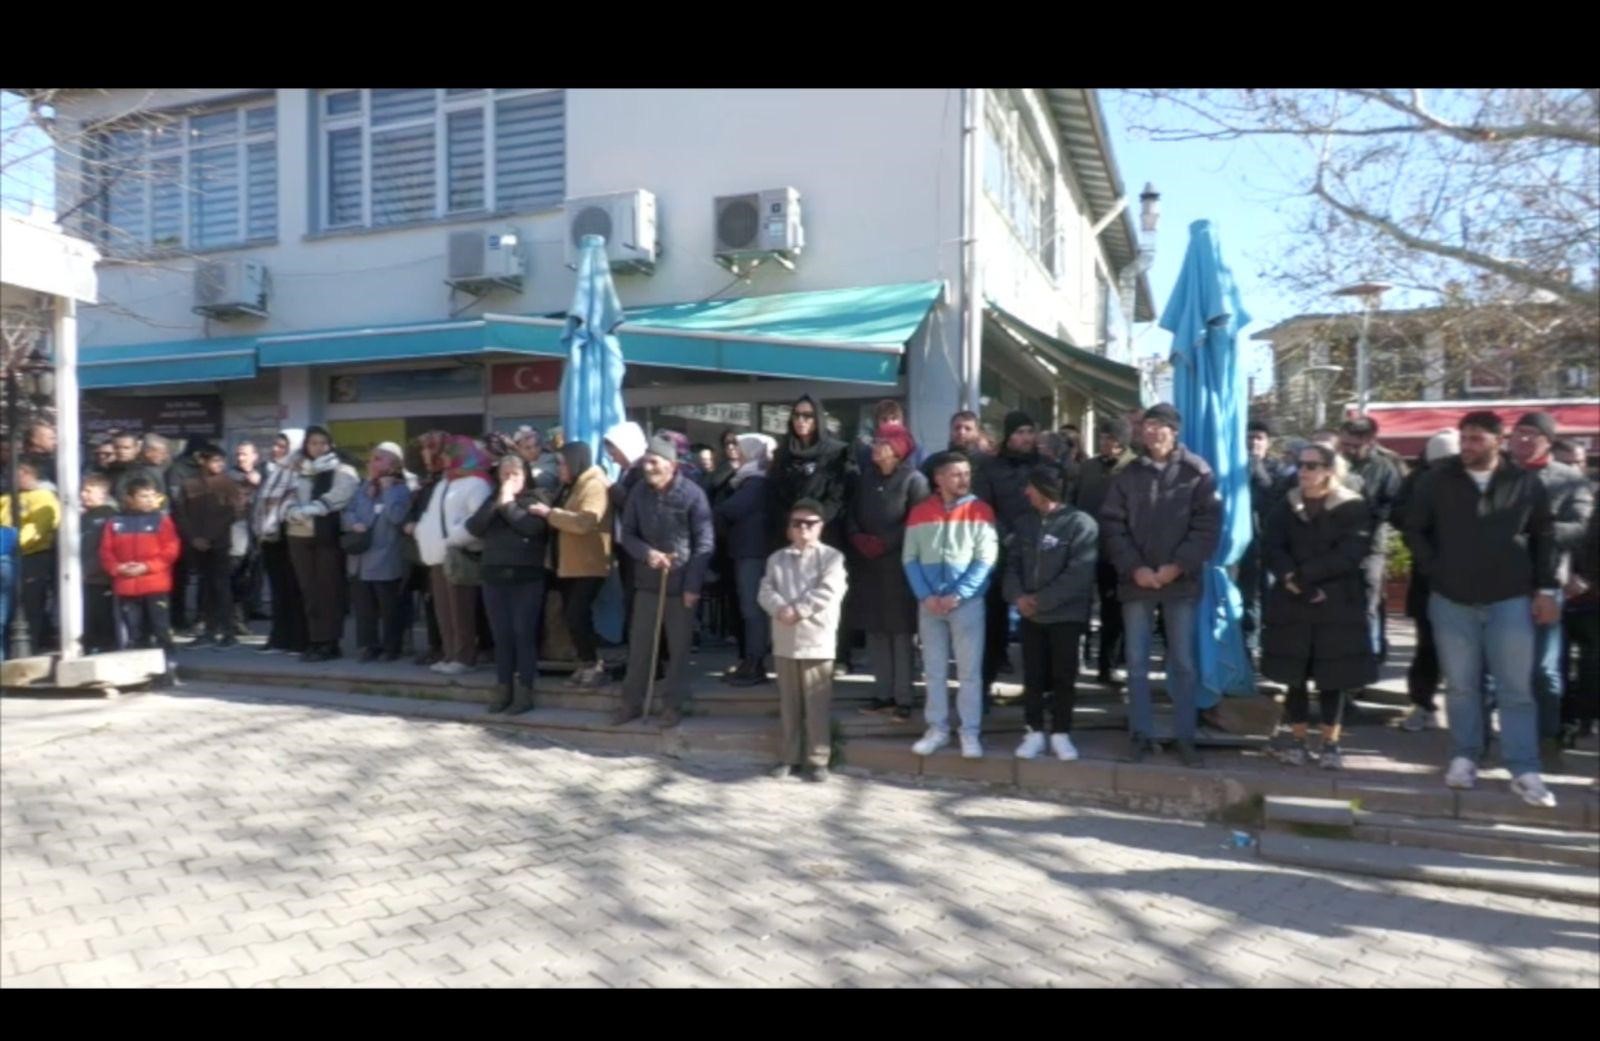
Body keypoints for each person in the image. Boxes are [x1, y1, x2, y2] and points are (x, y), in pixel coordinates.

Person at [1405, 410, 1559, 807]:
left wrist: (1545, 589)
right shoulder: (1437, 480)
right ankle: (1464, 756)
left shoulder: (1524, 482)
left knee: (1516, 688)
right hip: (1451, 598)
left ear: (1498, 439)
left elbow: (1544, 536)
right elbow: (1414, 528)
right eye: (1464, 438)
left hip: (1510, 597)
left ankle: (1524, 767)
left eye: (1476, 439)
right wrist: (1434, 570)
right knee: (1460, 686)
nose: (1468, 447)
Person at [1099, 404, 1220, 768]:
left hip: (1179, 582)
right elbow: (1112, 525)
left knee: (1182, 662)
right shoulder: (1128, 474)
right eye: (1147, 427)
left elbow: (1207, 527)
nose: (1152, 433)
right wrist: (1135, 568)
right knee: (1136, 663)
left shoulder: (1196, 472)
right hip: (1136, 582)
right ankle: (1141, 734)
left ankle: (1185, 737)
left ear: (1174, 431)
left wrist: (1176, 566)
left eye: (1160, 427)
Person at [1260, 443, 1375, 770]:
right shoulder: (1286, 504)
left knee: (1332, 675)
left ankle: (1330, 743)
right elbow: (1271, 545)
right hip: (1293, 599)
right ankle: (1297, 741)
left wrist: (1309, 577)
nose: (1304, 471)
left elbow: (1352, 551)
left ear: (1329, 469)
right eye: (1301, 465)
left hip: (1337, 601)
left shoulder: (1352, 506)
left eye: (1312, 465)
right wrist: (1289, 577)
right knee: (1293, 673)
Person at [1508, 411, 1594, 767]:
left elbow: (1580, 528)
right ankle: (1488, 741)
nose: (1525, 440)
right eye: (1519, 433)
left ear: (1547, 441)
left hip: (1545, 585)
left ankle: (1548, 738)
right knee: (1497, 671)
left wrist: (1536, 530)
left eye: (1533, 435)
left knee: (1544, 670)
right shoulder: (1496, 474)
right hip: (1496, 584)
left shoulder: (1570, 479)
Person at [612, 433, 715, 728]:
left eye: (653, 462)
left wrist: (694, 585)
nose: (647, 468)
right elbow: (627, 534)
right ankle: (631, 703)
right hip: (647, 581)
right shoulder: (638, 493)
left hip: (682, 585)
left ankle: (673, 705)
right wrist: (647, 554)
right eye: (645, 462)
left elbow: (705, 543)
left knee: (679, 649)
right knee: (640, 646)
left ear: (671, 464)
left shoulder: (693, 494)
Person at [904, 450, 999, 759]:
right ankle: (938, 729)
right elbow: (910, 558)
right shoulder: (920, 512)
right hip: (929, 603)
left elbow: (986, 558)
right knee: (933, 671)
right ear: (939, 478)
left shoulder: (981, 510)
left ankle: (970, 732)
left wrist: (958, 594)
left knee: (970, 673)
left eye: (967, 473)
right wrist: (926, 595)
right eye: (957, 474)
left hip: (966, 604)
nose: (964, 479)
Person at [1004, 465, 1098, 761]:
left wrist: (1041, 600)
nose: (1026, 492)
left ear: (1045, 489)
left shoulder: (1080, 523)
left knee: (1063, 676)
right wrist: (1018, 596)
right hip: (1029, 615)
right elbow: (1011, 565)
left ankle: (1061, 732)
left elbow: (1079, 573)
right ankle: (1032, 731)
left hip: (1066, 615)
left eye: (1030, 486)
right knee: (1032, 675)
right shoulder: (1024, 523)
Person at [761, 497, 848, 782]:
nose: (803, 529)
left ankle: (818, 759)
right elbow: (765, 591)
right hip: (785, 640)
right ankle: (788, 757)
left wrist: (798, 610)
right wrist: (779, 608)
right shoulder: (777, 559)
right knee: (789, 705)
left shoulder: (832, 558)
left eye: (809, 523)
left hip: (816, 640)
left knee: (816, 705)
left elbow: (829, 591)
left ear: (820, 526)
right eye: (797, 524)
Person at [767, 394, 856, 672]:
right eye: (796, 415)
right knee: (793, 594)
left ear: (818, 419)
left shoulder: (837, 452)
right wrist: (794, 525)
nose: (801, 421)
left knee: (825, 596)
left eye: (807, 416)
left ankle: (840, 655)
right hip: (791, 535)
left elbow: (840, 495)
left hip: (826, 534)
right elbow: (775, 494)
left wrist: (814, 523)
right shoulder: (784, 453)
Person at [847, 422, 929, 719]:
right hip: (868, 567)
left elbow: (917, 522)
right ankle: (882, 694)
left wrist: (886, 543)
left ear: (896, 450)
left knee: (900, 633)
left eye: (882, 443)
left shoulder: (914, 480)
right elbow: (851, 513)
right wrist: (857, 536)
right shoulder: (865, 479)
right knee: (876, 633)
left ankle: (904, 697)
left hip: (899, 567)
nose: (875, 447)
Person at [467, 455, 552, 714]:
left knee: (522, 633)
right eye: (504, 474)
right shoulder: (493, 498)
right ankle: (503, 688)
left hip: (526, 577)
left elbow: (530, 527)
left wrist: (508, 505)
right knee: (501, 636)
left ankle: (524, 691)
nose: (509, 479)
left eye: (515, 474)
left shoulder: (538, 497)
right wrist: (498, 501)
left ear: (525, 475)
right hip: (494, 576)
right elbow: (475, 527)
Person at [531, 441, 612, 688]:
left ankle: (594, 665)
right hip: (568, 563)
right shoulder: (572, 485)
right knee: (571, 615)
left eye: (563, 463)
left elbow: (586, 521)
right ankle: (585, 663)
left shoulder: (594, 484)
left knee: (577, 614)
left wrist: (549, 515)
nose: (560, 469)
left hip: (588, 563)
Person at [975, 411, 1043, 696]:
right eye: (1019, 432)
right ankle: (984, 685)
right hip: (1000, 550)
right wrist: (1007, 536)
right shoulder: (990, 467)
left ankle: (1039, 688)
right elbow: (983, 507)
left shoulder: (1044, 466)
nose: (1025, 438)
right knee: (993, 619)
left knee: (1037, 620)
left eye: (1029, 432)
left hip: (1039, 551)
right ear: (1008, 435)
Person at [1395, 430, 1458, 732]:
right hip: (1429, 577)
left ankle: (1473, 715)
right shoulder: (1416, 482)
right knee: (1428, 646)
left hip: (1471, 580)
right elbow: (1401, 519)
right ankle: (1423, 704)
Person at [415, 434, 493, 676]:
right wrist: (423, 533)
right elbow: (431, 515)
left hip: (459, 554)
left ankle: (465, 657)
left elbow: (477, 521)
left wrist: (452, 539)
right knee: (444, 610)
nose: (445, 458)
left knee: (461, 610)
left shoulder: (477, 483)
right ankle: (449, 654)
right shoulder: (444, 482)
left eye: (449, 453)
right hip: (438, 556)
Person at [283, 426, 360, 662]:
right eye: (313, 443)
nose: (318, 447)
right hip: (299, 535)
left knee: (328, 590)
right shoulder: (299, 469)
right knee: (309, 590)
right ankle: (314, 640)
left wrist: (316, 507)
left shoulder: (341, 468)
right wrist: (293, 509)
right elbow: (287, 494)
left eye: (322, 443)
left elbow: (342, 493)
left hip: (327, 536)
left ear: (330, 445)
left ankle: (330, 642)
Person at [99, 476, 182, 687]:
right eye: (143, 496)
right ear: (130, 498)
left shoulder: (162, 520)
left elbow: (171, 550)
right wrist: (118, 568)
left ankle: (168, 669)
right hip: (126, 585)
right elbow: (106, 551)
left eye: (152, 496)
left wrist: (147, 567)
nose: (149, 500)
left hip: (155, 585)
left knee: (160, 628)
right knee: (133, 631)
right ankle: (137, 673)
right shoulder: (115, 523)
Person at [1075, 416, 1137, 684]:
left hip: (1117, 550)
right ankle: (1078, 657)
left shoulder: (1135, 468)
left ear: (1122, 441)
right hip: (1084, 548)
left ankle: (1108, 665)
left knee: (1114, 609)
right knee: (1079, 606)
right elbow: (1074, 501)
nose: (1105, 442)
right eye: (1102, 437)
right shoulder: (1087, 468)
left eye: (1110, 438)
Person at [1339, 417, 1404, 665]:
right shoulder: (1337, 463)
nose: (1347, 450)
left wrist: (1368, 514)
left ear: (1369, 441)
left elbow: (1394, 505)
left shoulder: (1386, 467)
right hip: (1338, 543)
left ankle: (1369, 654)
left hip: (1370, 545)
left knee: (1369, 600)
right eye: (1344, 444)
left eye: (1353, 445)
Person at [714, 433, 775, 687]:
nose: (735, 453)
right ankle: (752, 660)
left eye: (740, 448)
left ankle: (755, 662)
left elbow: (728, 510)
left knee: (752, 610)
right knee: (752, 609)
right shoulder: (750, 480)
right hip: (749, 550)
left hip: (752, 552)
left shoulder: (755, 482)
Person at [343, 443, 413, 663]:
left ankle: (392, 647)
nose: (371, 463)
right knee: (364, 607)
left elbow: (396, 517)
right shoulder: (364, 486)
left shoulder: (401, 489)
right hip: (360, 558)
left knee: (389, 606)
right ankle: (367, 645)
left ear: (394, 463)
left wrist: (389, 489)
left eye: (378, 458)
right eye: (371, 458)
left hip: (385, 556)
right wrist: (354, 524)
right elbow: (348, 511)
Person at [174, 445, 248, 647]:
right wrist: (194, 538)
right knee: (205, 587)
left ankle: (228, 632)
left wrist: (210, 537)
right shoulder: (189, 484)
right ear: (202, 461)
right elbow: (181, 514)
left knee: (222, 587)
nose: (220, 465)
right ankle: (208, 630)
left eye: (222, 461)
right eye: (215, 461)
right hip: (197, 545)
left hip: (220, 543)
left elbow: (234, 512)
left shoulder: (228, 484)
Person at [251, 429, 308, 656]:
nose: (276, 450)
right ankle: (279, 638)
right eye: (275, 445)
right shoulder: (274, 471)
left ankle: (298, 639)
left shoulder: (301, 469)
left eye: (282, 446)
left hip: (291, 534)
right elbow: (262, 504)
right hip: (270, 536)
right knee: (277, 590)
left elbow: (297, 500)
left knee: (294, 589)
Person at [0, 462, 60, 652]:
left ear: (27, 473)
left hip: (32, 557)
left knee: (29, 605)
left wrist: (13, 544)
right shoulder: (7, 498)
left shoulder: (43, 497)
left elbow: (39, 528)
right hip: (6, 556)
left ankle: (29, 648)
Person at [1238, 418, 1283, 659]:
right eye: (1250, 437)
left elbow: (1273, 496)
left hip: (1269, 543)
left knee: (1269, 597)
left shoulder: (1277, 468)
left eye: (1259, 438)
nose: (1253, 442)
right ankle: (1248, 647)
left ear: (1268, 443)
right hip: (1245, 544)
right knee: (1248, 598)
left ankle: (1270, 648)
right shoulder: (1235, 466)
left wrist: (1257, 466)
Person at [603, 420, 649, 647]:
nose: (612, 458)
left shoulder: (642, 471)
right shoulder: (627, 471)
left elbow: (632, 505)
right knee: (629, 601)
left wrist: (610, 487)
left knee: (637, 602)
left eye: (615, 452)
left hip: (639, 549)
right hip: (625, 548)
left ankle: (646, 658)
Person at [79, 473, 120, 655]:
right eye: (83, 491)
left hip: (100, 577)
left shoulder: (109, 516)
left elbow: (105, 548)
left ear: (102, 493)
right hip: (83, 577)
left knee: (102, 615)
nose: (83, 495)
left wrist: (91, 570)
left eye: (89, 491)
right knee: (87, 615)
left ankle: (105, 645)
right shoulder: (81, 517)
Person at [228, 440, 266, 631]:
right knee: (238, 574)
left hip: (258, 530)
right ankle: (237, 619)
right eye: (238, 454)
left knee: (255, 573)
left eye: (245, 454)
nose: (241, 457)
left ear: (255, 456)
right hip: (238, 529)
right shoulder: (231, 477)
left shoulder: (263, 475)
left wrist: (260, 483)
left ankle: (252, 609)